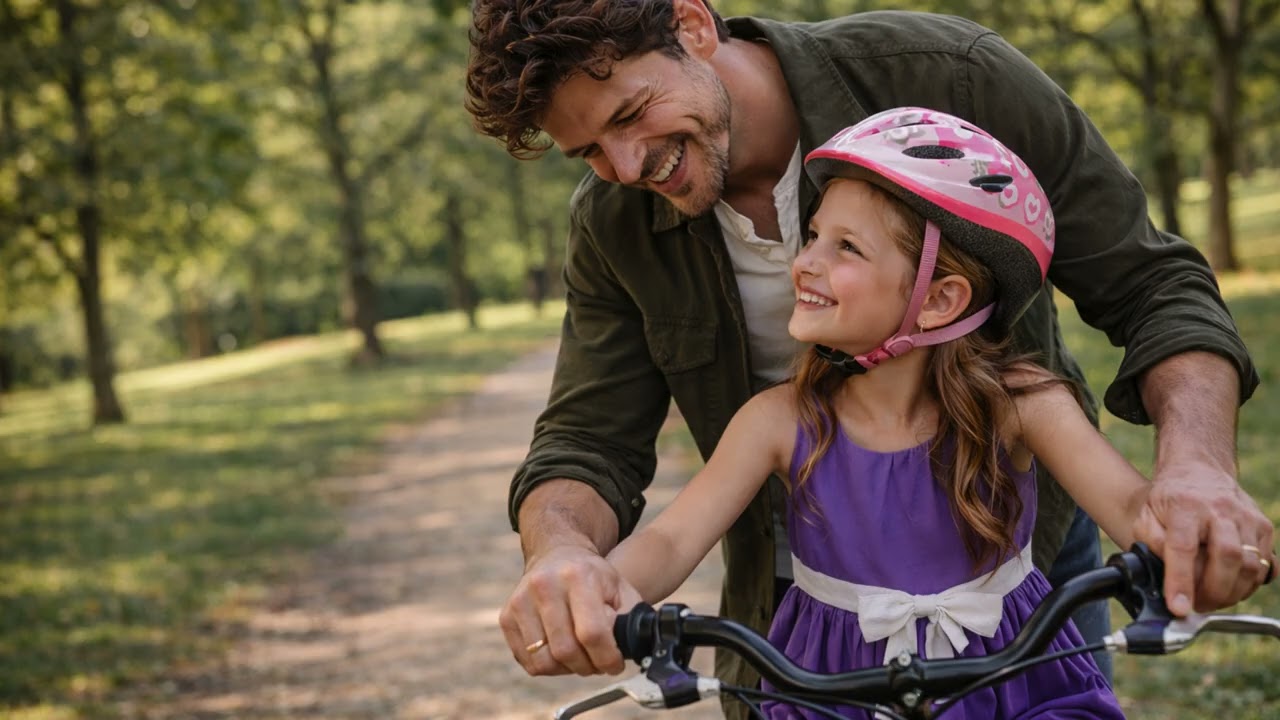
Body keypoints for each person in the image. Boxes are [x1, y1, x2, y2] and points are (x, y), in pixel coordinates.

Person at [463, 0, 1272, 704]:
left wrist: (1195, 475)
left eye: (631, 113)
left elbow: (1154, 286)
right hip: (805, 613)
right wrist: (566, 558)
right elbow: (589, 440)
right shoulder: (616, 226)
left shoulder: (951, 79)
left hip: (1014, 562)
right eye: (591, 152)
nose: (628, 166)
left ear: (692, 23)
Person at [591, 106, 1137, 719]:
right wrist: (594, 588)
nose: (806, 261)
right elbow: (670, 538)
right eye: (815, 235)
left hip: (1013, 683)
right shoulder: (780, 420)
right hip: (836, 696)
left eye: (845, 246)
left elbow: (1133, 508)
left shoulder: (1022, 405)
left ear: (938, 300)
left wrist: (1194, 536)